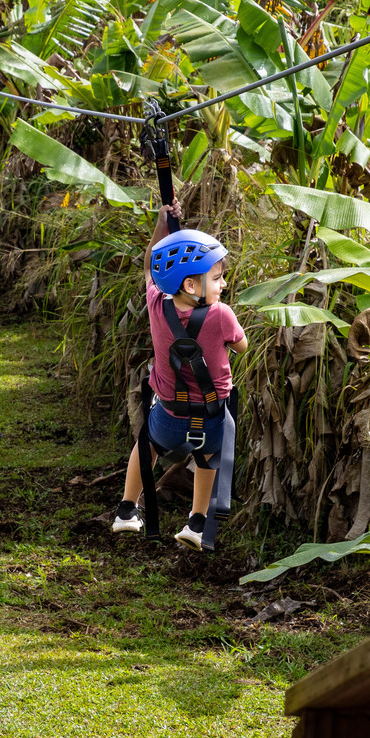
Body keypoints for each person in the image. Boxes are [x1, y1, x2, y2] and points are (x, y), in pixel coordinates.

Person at [112, 201, 248, 550]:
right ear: (191, 284)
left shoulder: (158, 305)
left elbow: (149, 267)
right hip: (210, 415)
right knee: (207, 459)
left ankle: (127, 509)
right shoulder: (222, 315)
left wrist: (163, 222)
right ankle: (196, 522)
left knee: (148, 447)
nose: (224, 283)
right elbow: (242, 346)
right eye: (217, 278)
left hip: (169, 413)